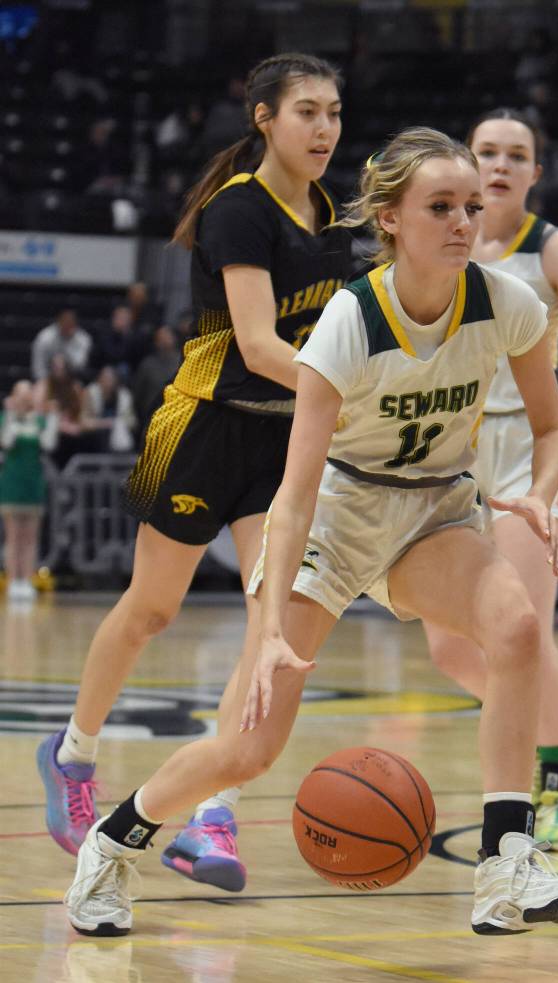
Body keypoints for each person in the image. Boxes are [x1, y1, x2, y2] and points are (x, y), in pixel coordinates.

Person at [63, 127, 558, 938]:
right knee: (249, 750)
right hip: (337, 517)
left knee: (517, 626)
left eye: (471, 207)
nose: (463, 222)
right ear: (390, 219)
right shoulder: (350, 320)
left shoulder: (509, 302)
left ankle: (505, 864)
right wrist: (270, 624)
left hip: (434, 510)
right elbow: (296, 495)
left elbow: (554, 428)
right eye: (440, 206)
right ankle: (113, 841)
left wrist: (544, 491)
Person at [37, 53, 354, 892]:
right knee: (151, 609)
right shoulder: (237, 211)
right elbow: (256, 345)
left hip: (278, 438)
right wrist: (354, 391)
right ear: (265, 118)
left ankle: (216, 803)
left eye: (333, 113)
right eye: (307, 113)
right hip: (203, 425)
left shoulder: (332, 213)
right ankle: (73, 756)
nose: (324, 129)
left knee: (267, 620)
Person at [421, 108, 558, 852]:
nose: (501, 165)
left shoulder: (553, 251)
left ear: (536, 173)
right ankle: (550, 720)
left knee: (523, 631)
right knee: (449, 649)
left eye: (517, 155)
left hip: (532, 455)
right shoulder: (444, 242)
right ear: (465, 162)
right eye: (487, 152)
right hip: (454, 457)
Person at [1, 381, 58, 601]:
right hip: (12, 483)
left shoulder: (39, 422)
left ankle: (26, 579)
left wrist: (52, 417)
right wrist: (11, 415)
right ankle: (13, 579)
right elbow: (5, 442)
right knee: (13, 535)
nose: (25, 399)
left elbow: (49, 444)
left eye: (28, 394)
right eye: (21, 395)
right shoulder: (7, 419)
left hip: (33, 483)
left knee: (31, 537)